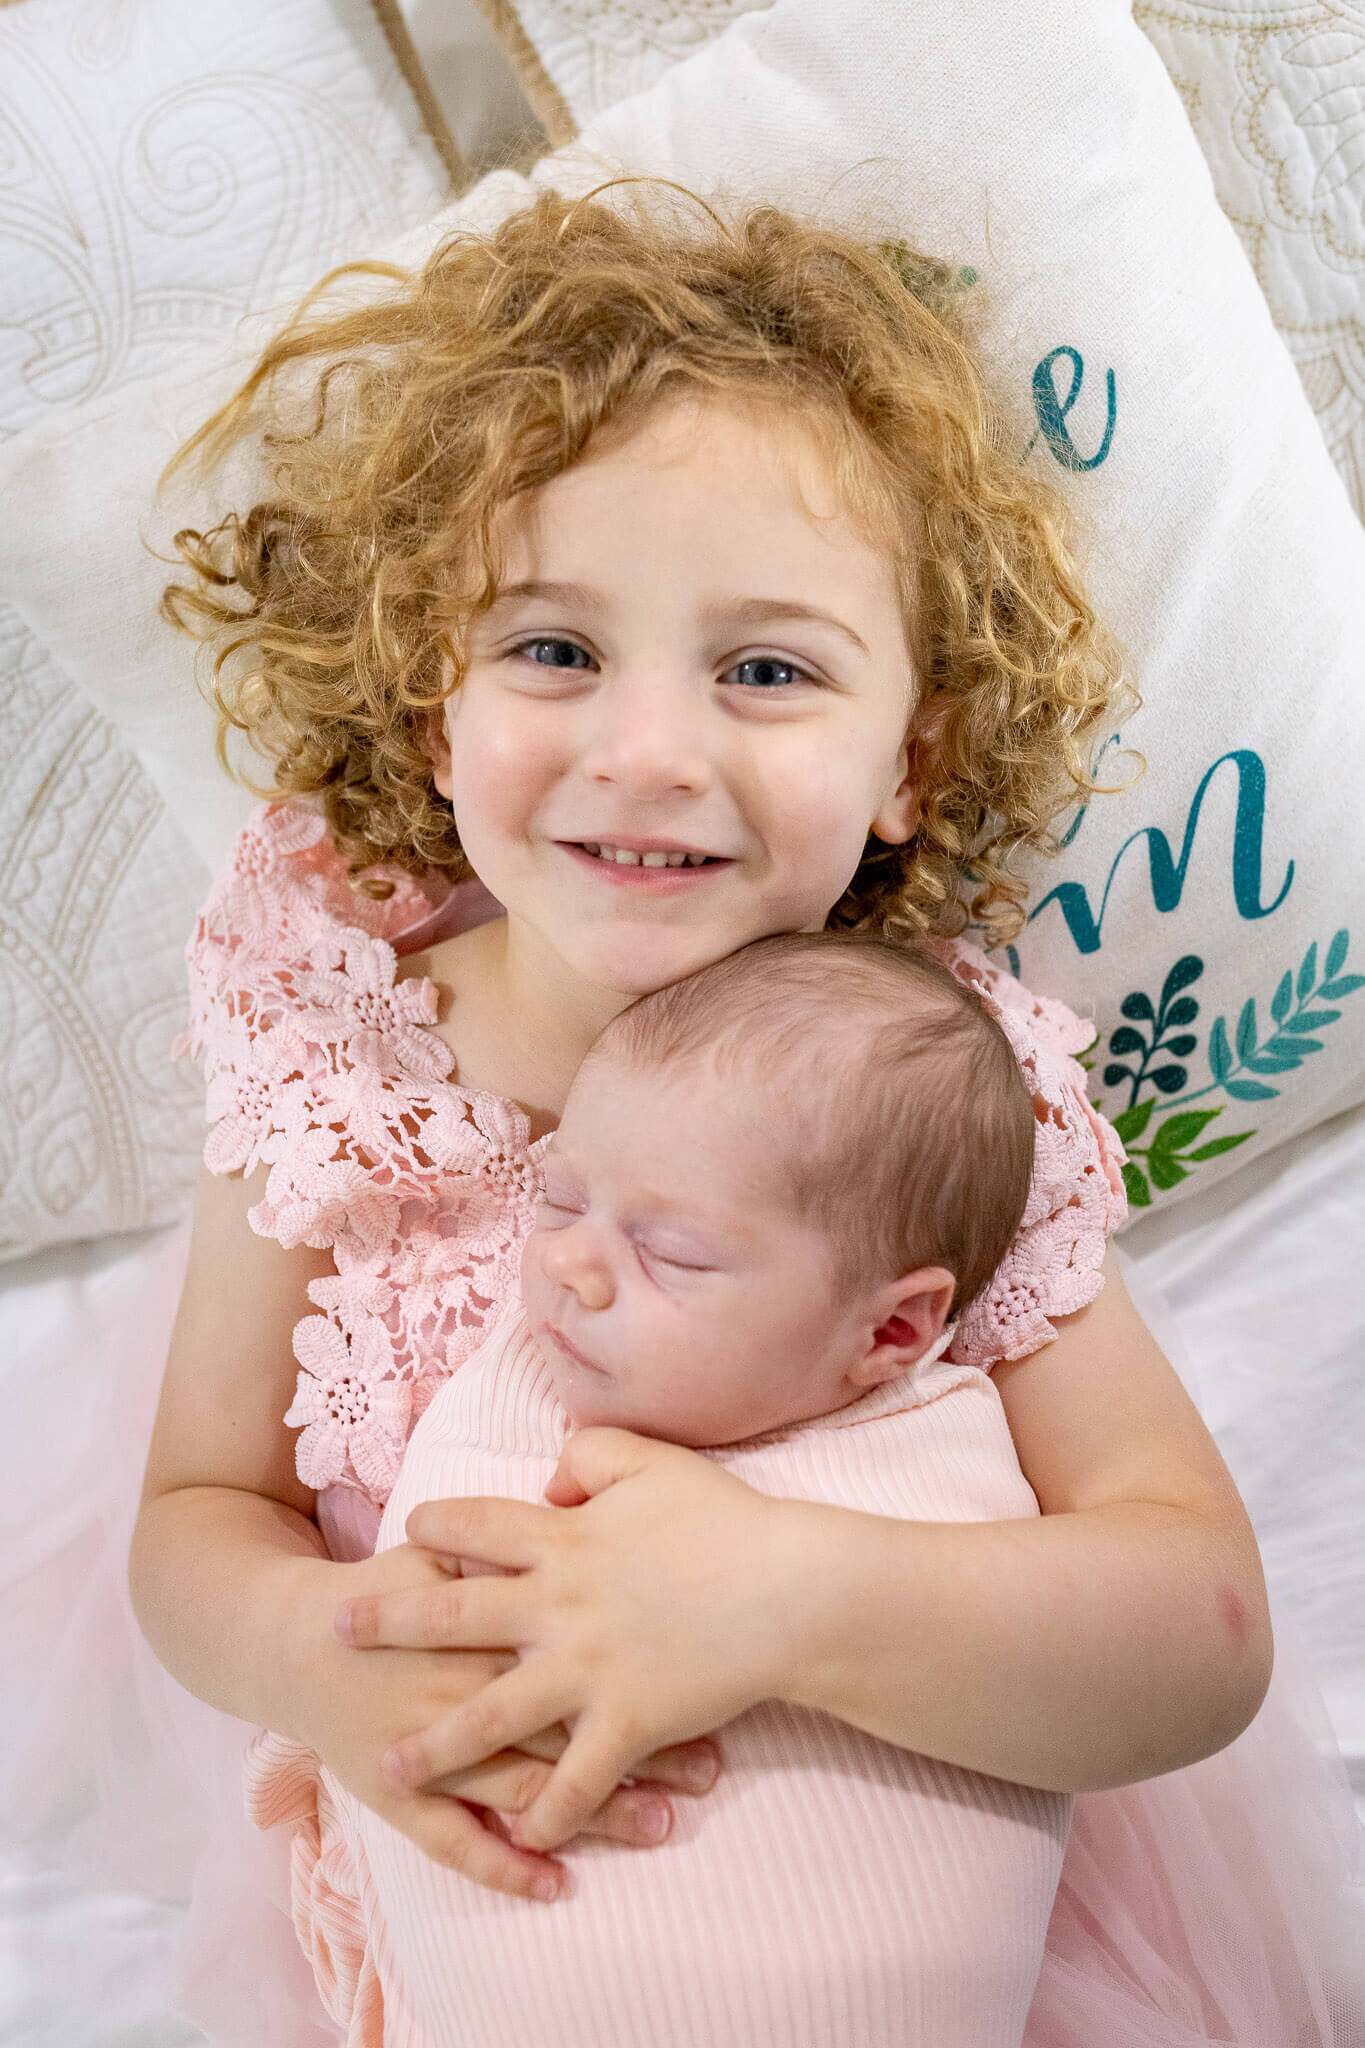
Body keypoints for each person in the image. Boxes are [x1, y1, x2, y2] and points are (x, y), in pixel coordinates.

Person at [118, 182, 1362, 2045]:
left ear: (907, 760)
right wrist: (323, 1660)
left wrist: (782, 1599)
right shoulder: (346, 1045)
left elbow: (1197, 1624)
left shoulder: (935, 1094)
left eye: (767, 668)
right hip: (486, 1923)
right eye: (552, 649)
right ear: (431, 704)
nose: (648, 751)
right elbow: (198, 1511)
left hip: (892, 1917)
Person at [307, 930, 1068, 2046]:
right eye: (561, 1198)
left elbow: (1109, 1656)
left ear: (893, 1327)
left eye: (673, 1249)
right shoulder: (512, 1382)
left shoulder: (940, 1443)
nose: (569, 1263)